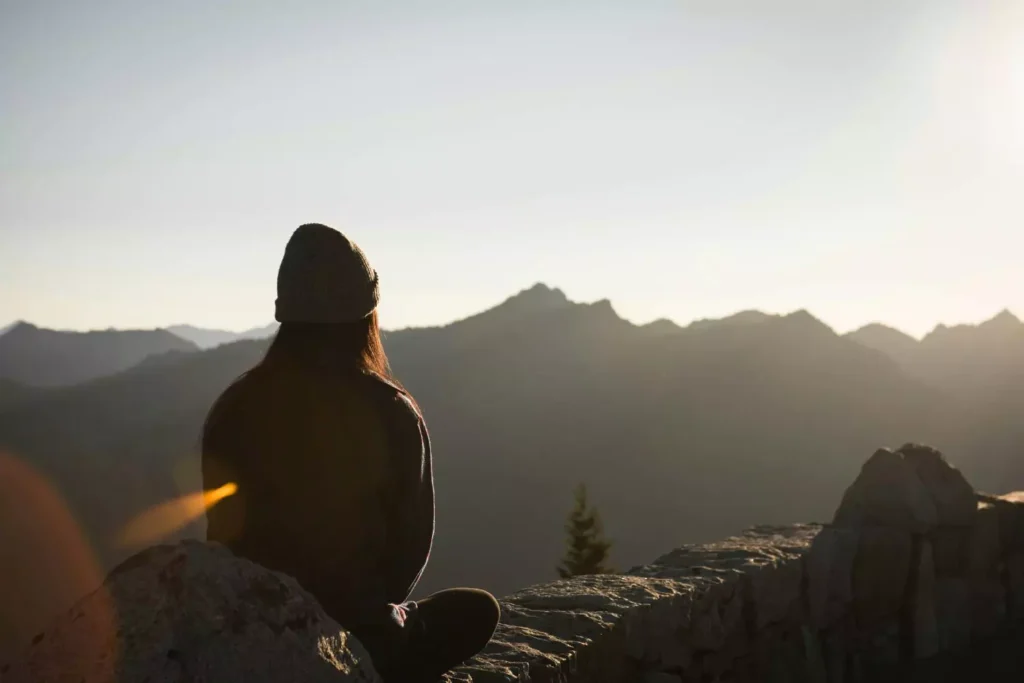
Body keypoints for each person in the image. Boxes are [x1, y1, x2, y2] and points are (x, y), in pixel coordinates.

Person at [201, 223, 500, 683]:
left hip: (249, 627)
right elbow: (406, 553)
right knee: (476, 610)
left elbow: (222, 536)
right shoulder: (391, 412)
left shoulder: (233, 409)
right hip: (355, 636)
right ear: (366, 316)